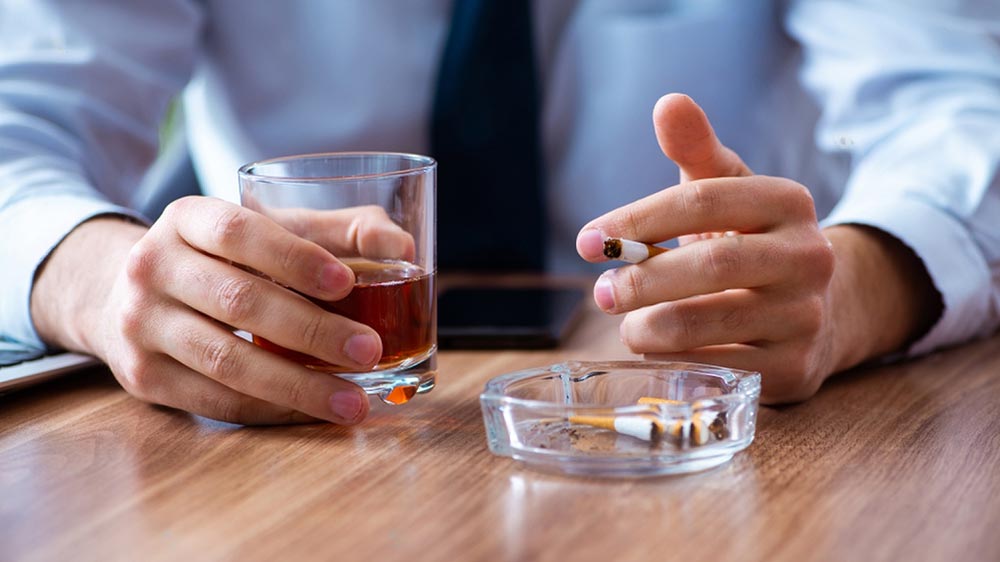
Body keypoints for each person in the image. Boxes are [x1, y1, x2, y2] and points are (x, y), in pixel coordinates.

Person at [1, 1, 997, 425]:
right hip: (305, 403)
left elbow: (965, 102)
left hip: (712, 400)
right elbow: (20, 119)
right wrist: (99, 277)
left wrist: (859, 285)